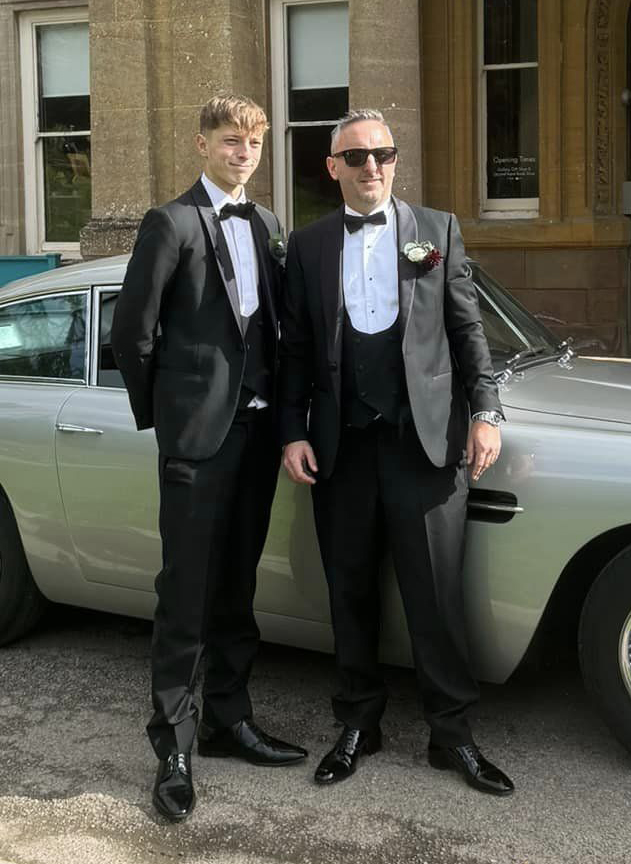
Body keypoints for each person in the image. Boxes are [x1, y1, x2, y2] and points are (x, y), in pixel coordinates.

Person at [277, 108, 515, 796]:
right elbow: (294, 349)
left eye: (383, 153)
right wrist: (292, 430)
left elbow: (468, 330)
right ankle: (359, 724)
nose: (371, 166)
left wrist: (486, 411)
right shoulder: (311, 244)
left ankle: (453, 736)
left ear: (395, 160)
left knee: (435, 599)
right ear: (333, 168)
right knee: (348, 593)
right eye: (356, 157)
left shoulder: (435, 231)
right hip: (339, 449)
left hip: (425, 445)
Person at [111, 94, 307, 823]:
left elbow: (278, 330)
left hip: (256, 439)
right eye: (230, 141)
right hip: (196, 442)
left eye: (252, 143)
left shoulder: (266, 223)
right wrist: (167, 421)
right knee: (186, 595)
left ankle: (230, 721)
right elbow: (132, 331)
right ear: (201, 144)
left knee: (236, 589)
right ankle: (175, 746)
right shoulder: (170, 222)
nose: (242, 153)